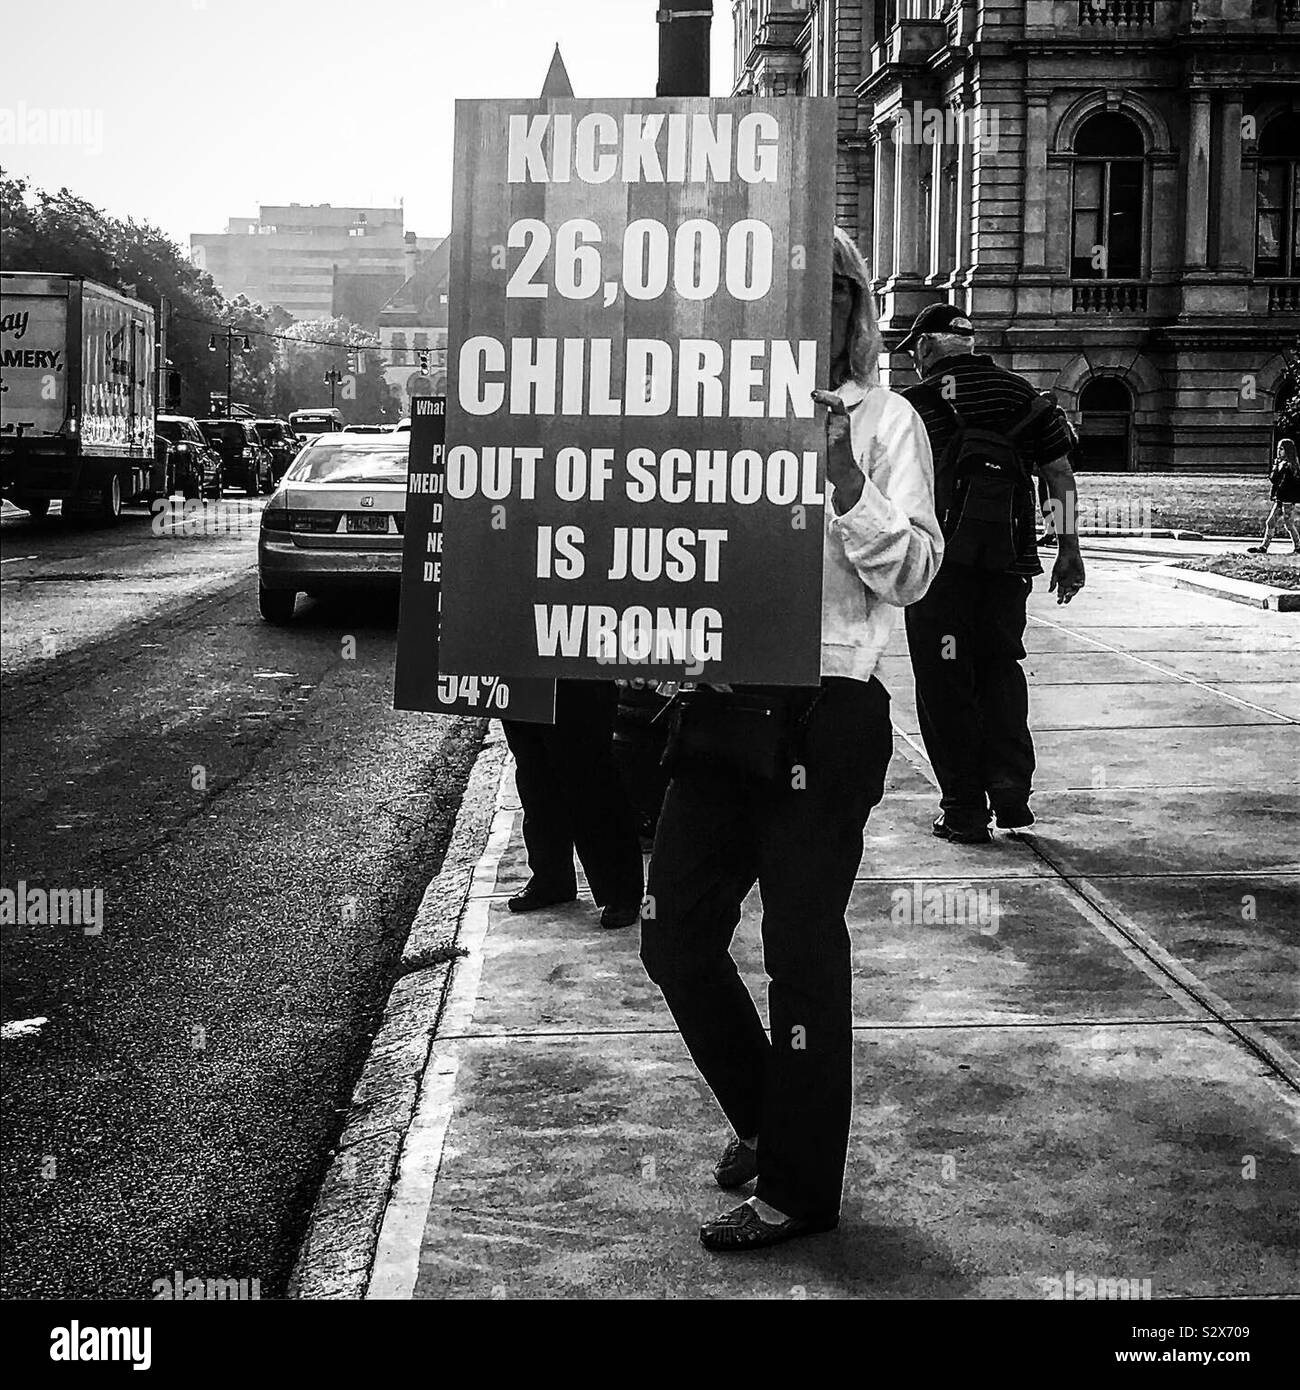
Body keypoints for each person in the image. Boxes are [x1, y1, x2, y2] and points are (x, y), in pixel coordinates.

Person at [639, 229, 943, 1253]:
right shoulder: (715, 418)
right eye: (780, 296)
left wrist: (841, 483)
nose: (803, 313)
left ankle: (800, 1188)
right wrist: (673, 638)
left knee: (800, 949)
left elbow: (912, 576)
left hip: (829, 706)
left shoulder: (887, 422)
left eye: (826, 295)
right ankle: (772, 1115)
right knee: (674, 932)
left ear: (852, 311)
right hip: (727, 702)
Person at [898, 303, 1085, 845]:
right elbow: (1059, 475)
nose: (913, 359)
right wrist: (1069, 548)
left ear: (929, 348)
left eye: (914, 349)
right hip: (1007, 565)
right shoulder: (1023, 396)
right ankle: (1009, 792)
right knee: (1000, 669)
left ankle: (962, 809)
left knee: (943, 681)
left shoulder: (915, 406)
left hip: (937, 568)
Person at [501, 680, 644, 930]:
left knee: (589, 774)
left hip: (576, 670)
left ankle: (621, 892)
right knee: (534, 774)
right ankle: (551, 878)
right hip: (520, 665)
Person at [1246, 438, 1300, 554]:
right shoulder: (1280, 464)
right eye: (1278, 449)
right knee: (1270, 522)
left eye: (1281, 449)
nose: (1279, 451)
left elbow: (1290, 484)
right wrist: (1276, 467)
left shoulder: (1291, 466)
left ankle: (1298, 546)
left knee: (1288, 523)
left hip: (1288, 499)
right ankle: (1264, 546)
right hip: (1280, 498)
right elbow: (1273, 479)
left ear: (1288, 451)